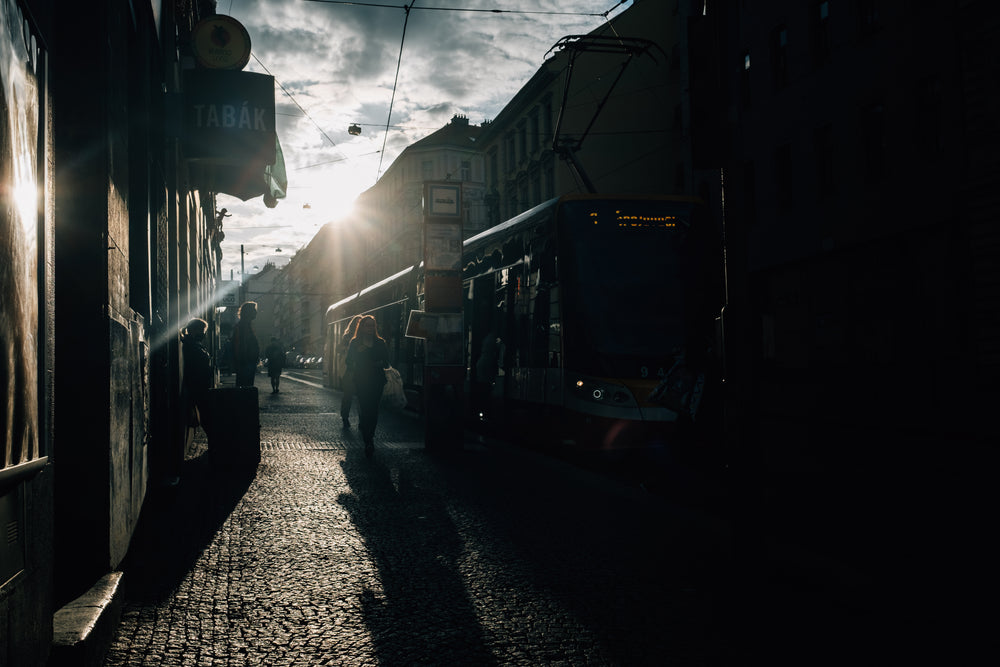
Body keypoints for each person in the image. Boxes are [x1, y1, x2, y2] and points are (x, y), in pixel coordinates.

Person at [344, 315, 389, 457]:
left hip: (377, 381)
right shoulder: (355, 342)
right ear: (361, 327)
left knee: (374, 410)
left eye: (372, 325)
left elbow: (387, 362)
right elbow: (348, 361)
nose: (370, 328)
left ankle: (370, 438)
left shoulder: (380, 342)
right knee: (365, 409)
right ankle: (367, 439)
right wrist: (358, 356)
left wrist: (377, 363)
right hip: (361, 380)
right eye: (367, 325)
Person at [181, 318, 214, 435]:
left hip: (201, 384)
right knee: (206, 415)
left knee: (206, 414)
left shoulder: (195, 344)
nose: (203, 333)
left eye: (204, 330)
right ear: (192, 330)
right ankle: (214, 440)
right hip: (197, 385)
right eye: (201, 330)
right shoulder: (190, 344)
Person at [339, 316, 362, 428]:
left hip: (361, 370)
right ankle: (345, 417)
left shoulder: (363, 337)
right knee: (348, 395)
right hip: (348, 370)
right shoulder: (347, 337)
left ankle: (362, 419)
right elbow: (340, 350)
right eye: (358, 323)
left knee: (361, 396)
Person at [232, 301, 260, 388]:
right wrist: (244, 361)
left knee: (245, 387)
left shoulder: (245, 325)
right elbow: (240, 345)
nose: (256, 312)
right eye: (254, 310)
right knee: (246, 387)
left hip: (246, 362)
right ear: (248, 312)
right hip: (246, 363)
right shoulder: (243, 326)